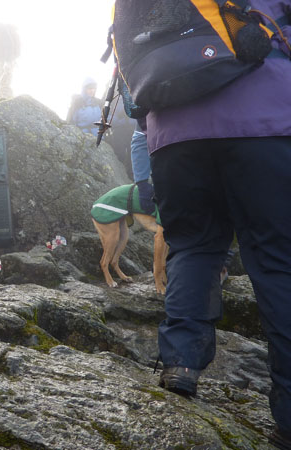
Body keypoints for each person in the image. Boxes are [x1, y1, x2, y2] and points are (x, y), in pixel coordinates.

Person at [140, 1, 291, 447]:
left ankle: (181, 364)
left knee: (193, 246)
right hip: (263, 122)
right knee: (277, 258)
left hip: (172, 133)